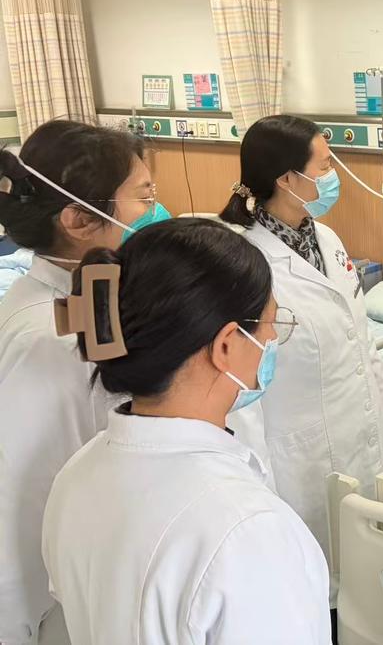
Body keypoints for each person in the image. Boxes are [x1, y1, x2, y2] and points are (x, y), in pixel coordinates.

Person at [42, 218, 329, 644]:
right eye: (271, 325)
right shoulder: (248, 532)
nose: (272, 341)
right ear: (227, 344)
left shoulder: (76, 477)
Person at [0, 120, 168, 645]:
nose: (156, 213)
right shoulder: (49, 340)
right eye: (144, 198)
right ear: (78, 220)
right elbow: (22, 501)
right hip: (61, 609)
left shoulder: (83, 306)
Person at [219, 115, 383, 575]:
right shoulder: (245, 261)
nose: (333, 174)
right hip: (301, 448)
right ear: (286, 178)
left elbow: (357, 326)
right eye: (325, 165)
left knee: (371, 559)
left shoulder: (326, 237)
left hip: (358, 423)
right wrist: (253, 478)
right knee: (318, 568)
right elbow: (240, 386)